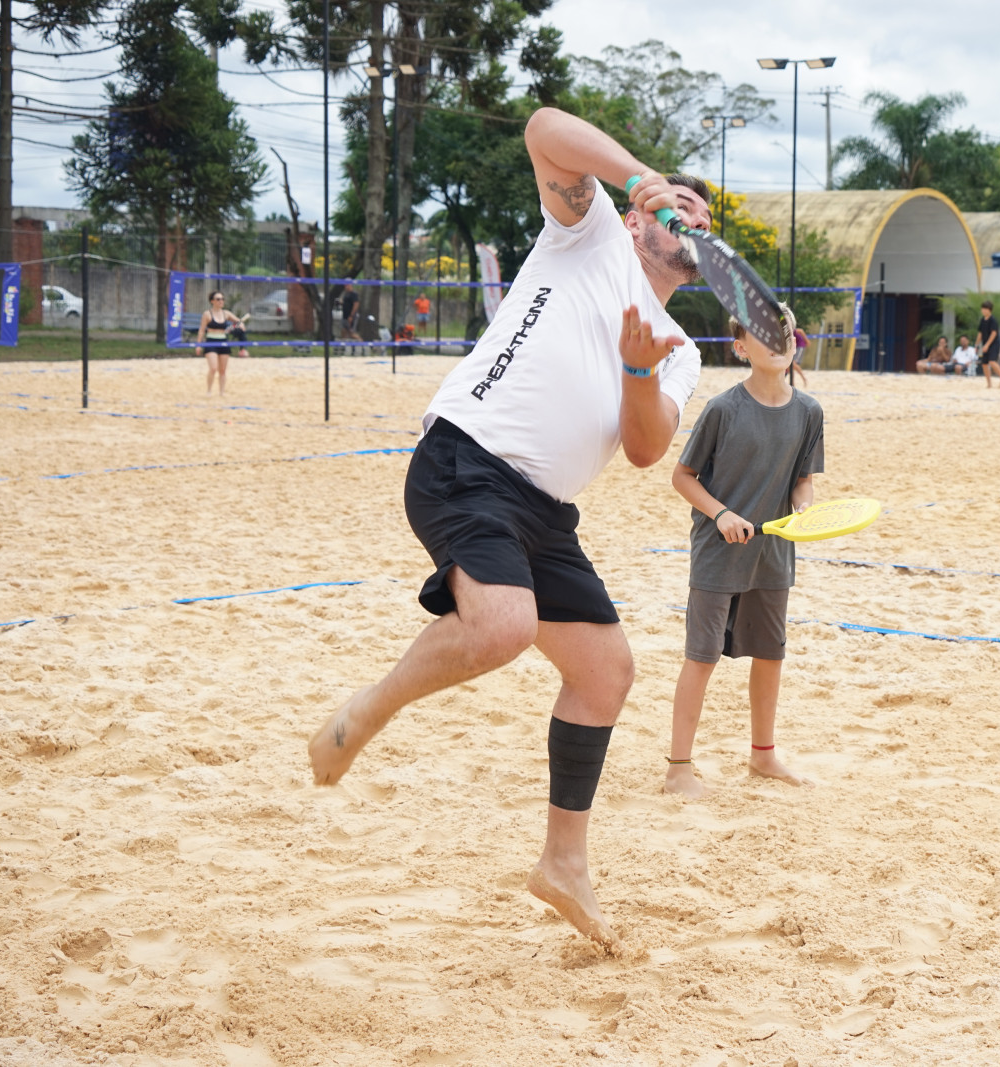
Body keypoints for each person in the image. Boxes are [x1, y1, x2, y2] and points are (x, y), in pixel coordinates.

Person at [307, 106, 710, 956]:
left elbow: (645, 449)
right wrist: (640, 176)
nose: (693, 221)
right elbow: (543, 127)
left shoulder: (680, 349)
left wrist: (638, 370)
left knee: (605, 671)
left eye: (704, 219)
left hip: (543, 509)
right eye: (682, 206)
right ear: (638, 218)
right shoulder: (588, 232)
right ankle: (368, 710)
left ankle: (563, 863)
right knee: (502, 625)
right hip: (467, 458)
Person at [664, 305, 823, 799]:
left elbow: (803, 481)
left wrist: (803, 508)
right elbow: (682, 478)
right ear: (740, 348)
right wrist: (721, 514)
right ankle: (678, 769)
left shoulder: (809, 412)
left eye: (784, 332)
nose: (778, 341)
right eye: (764, 333)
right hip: (717, 555)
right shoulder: (722, 409)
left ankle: (763, 756)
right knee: (702, 657)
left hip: (773, 556)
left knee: (770, 656)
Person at [195, 290, 249, 396]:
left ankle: (222, 392)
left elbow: (239, 322)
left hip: (223, 342)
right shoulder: (207, 314)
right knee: (213, 368)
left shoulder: (226, 313)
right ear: (212, 301)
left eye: (222, 299)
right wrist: (198, 345)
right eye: (218, 299)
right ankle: (209, 391)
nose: (221, 301)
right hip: (211, 342)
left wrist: (239, 325)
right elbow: (201, 330)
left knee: (223, 370)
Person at [977, 301, 1000, 388]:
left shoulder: (993, 320)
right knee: (984, 364)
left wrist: (987, 345)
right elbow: (980, 333)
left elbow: (994, 333)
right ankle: (989, 383)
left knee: (992, 361)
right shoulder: (982, 320)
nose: (983, 310)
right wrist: (977, 344)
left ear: (990, 310)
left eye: (985, 309)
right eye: (982, 309)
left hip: (994, 344)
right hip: (985, 344)